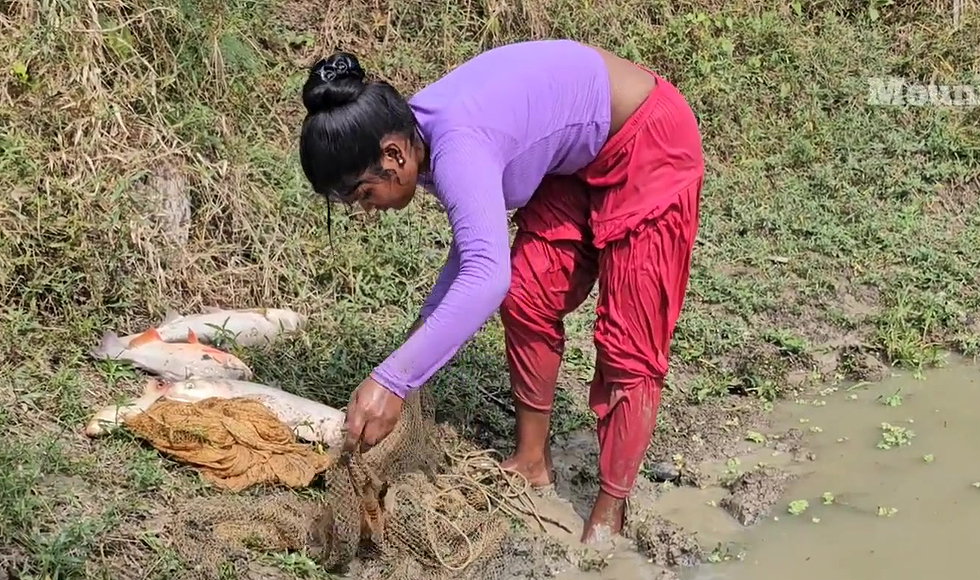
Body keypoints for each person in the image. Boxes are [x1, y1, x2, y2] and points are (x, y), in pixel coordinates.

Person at [297, 40, 704, 545]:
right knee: (527, 294)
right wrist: (417, 345)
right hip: (574, 165)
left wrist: (393, 380)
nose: (367, 208)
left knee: (629, 345)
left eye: (363, 193)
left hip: (648, 139)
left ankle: (610, 507)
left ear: (394, 155)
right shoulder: (418, 134)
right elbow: (474, 252)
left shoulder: (458, 142)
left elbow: (485, 275)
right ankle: (532, 460)